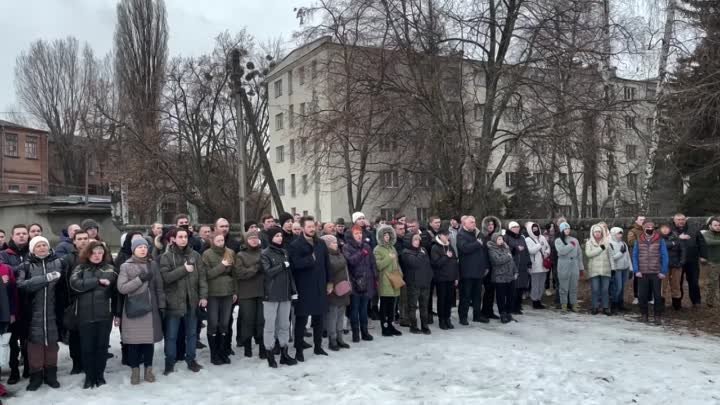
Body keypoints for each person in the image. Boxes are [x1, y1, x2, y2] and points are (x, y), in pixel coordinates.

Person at [17, 236, 68, 391]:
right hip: (33, 313)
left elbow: (64, 286)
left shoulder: (59, 263)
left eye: (44, 245)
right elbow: (21, 285)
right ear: (32, 249)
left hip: (53, 312)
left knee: (52, 345)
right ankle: (36, 376)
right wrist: (45, 278)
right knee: (35, 346)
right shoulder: (25, 266)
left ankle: (51, 374)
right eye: (38, 245)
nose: (42, 248)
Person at [159, 228, 207, 375]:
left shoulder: (195, 255)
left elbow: (202, 278)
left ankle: (191, 359)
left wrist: (203, 296)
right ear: (173, 239)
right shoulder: (166, 257)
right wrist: (184, 269)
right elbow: (166, 278)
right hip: (173, 302)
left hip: (192, 302)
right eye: (180, 237)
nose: (183, 239)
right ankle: (170, 362)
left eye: (185, 236)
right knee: (171, 336)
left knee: (192, 334)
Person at [117, 238, 165, 385]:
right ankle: (135, 371)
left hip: (151, 309)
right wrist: (140, 279)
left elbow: (159, 287)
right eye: (140, 247)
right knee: (134, 343)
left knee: (148, 342)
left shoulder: (153, 264)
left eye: (145, 247)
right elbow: (122, 288)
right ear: (133, 250)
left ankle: (148, 370)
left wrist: (161, 305)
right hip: (133, 309)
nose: (143, 249)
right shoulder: (126, 266)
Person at [69, 241, 117, 389]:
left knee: (101, 347)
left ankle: (100, 375)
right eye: (93, 253)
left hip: (104, 315)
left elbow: (113, 289)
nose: (97, 256)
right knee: (87, 347)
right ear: (87, 253)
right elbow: (75, 284)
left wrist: (117, 313)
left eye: (100, 253)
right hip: (84, 315)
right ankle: (89, 377)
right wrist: (97, 281)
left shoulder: (111, 269)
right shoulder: (79, 268)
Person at [288, 216, 330, 361]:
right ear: (303, 228)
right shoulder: (295, 245)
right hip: (304, 288)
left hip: (319, 286)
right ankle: (299, 350)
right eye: (309, 226)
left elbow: (327, 264)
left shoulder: (321, 243)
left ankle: (318, 347)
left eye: (313, 226)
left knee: (319, 318)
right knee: (301, 320)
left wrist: (329, 282)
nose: (312, 229)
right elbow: (294, 265)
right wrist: (309, 260)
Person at [259, 227, 297, 368]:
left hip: (285, 294)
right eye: (276, 236)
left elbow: (289, 274)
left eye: (281, 235)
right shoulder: (265, 253)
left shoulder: (285, 252)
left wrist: (293, 290)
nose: (280, 238)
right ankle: (269, 353)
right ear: (270, 238)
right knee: (269, 325)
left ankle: (284, 352)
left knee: (284, 325)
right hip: (271, 294)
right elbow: (268, 272)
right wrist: (281, 265)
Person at [0, 225, 30, 385]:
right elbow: (3, 270)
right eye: (18, 234)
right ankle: (14, 371)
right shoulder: (4, 254)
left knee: (27, 340)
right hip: (10, 305)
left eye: (24, 234)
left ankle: (28, 368)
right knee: (12, 342)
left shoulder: (32, 251)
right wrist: (23, 268)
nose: (22, 236)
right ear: (12, 236)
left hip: (28, 305)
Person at [201, 233, 235, 366]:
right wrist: (222, 266)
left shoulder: (230, 252)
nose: (221, 242)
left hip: (227, 292)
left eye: (222, 240)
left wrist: (235, 291)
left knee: (225, 323)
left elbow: (234, 274)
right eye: (218, 240)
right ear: (213, 241)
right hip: (213, 293)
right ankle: (214, 354)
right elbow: (207, 274)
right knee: (213, 323)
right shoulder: (207, 254)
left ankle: (222, 352)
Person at [342, 225, 377, 342]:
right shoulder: (347, 247)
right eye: (356, 233)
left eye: (360, 233)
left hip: (367, 281)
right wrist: (362, 253)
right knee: (354, 309)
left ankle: (365, 331)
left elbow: (372, 263)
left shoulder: (367, 246)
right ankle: (355, 333)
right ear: (351, 235)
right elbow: (351, 261)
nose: (359, 235)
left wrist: (375, 277)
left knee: (364, 309)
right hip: (355, 282)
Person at [234, 230, 265, 359]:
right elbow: (240, 273)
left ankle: (262, 347)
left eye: (255, 238)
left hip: (262, 291)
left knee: (261, 320)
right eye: (251, 238)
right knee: (248, 320)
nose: (253, 240)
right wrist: (256, 268)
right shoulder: (241, 255)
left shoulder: (264, 253)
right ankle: (247, 347)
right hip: (246, 293)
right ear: (246, 240)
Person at [632, 221, 669, 324]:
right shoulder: (638, 240)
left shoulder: (660, 240)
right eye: (647, 227)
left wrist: (663, 271)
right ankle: (644, 315)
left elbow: (665, 256)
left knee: (657, 296)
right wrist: (636, 270)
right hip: (642, 273)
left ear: (654, 228)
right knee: (642, 295)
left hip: (656, 272)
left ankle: (657, 316)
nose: (650, 228)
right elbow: (635, 256)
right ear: (644, 228)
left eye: (651, 227)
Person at [456, 216, 490, 325]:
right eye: (471, 222)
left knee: (477, 295)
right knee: (465, 296)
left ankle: (477, 315)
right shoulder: (461, 234)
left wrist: (486, 266)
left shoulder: (478, 234)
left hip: (479, 271)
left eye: (474, 222)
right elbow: (464, 248)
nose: (474, 224)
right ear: (464, 224)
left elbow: (484, 252)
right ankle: (463, 317)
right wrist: (477, 244)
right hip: (467, 271)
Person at [671, 213, 708, 309]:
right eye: (678, 219)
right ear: (674, 220)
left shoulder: (694, 230)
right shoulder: (670, 231)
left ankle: (696, 301)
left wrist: (703, 256)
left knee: (694, 282)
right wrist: (678, 238)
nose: (681, 221)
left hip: (692, 260)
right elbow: (665, 242)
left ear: (686, 220)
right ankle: (677, 303)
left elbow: (702, 243)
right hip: (677, 260)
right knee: (677, 282)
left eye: (682, 219)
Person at [321, 235, 351, 350]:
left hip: (343, 288)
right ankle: (332, 340)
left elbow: (345, 268)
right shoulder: (326, 256)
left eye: (336, 242)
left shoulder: (339, 253)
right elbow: (333, 267)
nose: (336, 244)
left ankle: (340, 338)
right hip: (332, 289)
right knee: (332, 316)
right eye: (333, 242)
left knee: (340, 315)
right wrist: (342, 262)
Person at [374, 224, 403, 336]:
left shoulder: (392, 248)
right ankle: (384, 327)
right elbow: (379, 266)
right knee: (385, 306)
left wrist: (400, 273)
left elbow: (396, 263)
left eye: (388, 235)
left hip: (395, 279)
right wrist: (388, 258)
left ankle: (391, 326)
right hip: (385, 280)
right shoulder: (377, 249)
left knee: (392, 306)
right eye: (385, 235)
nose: (387, 237)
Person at [401, 234, 433, 335]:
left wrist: (430, 276)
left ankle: (425, 326)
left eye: (418, 239)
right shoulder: (406, 252)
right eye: (415, 240)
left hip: (425, 282)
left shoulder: (422, 250)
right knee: (413, 306)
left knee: (424, 306)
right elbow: (415, 263)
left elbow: (428, 263)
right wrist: (421, 254)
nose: (417, 241)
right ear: (409, 241)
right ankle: (413, 326)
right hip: (413, 283)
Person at [430, 229, 459, 330]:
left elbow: (455, 262)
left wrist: (456, 277)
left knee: (449, 300)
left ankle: (448, 318)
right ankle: (442, 320)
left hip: (451, 278)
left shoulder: (450, 246)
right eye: (445, 235)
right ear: (440, 235)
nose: (447, 237)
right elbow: (436, 263)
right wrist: (446, 257)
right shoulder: (435, 247)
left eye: (448, 235)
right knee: (442, 299)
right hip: (441, 278)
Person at [487, 232, 518, 324]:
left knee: (511, 296)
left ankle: (509, 313)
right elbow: (497, 260)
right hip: (499, 277)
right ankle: (503, 314)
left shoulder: (506, 247)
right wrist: (507, 257)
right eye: (499, 239)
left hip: (510, 276)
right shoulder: (491, 249)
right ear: (494, 240)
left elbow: (512, 260)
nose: (501, 241)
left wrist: (515, 271)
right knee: (501, 297)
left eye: (502, 239)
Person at [555, 223, 584, 312]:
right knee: (563, 286)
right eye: (565, 229)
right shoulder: (558, 240)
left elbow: (579, 254)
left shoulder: (575, 240)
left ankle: (573, 304)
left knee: (573, 286)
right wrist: (571, 245)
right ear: (562, 230)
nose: (567, 230)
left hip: (574, 264)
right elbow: (562, 251)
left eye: (568, 228)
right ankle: (564, 304)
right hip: (563, 264)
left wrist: (581, 267)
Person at [585, 224, 612, 316]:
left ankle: (605, 307)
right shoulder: (589, 243)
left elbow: (610, 256)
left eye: (599, 232)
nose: (597, 233)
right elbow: (589, 254)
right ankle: (595, 307)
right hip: (594, 270)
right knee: (595, 289)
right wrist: (600, 248)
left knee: (605, 289)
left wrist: (613, 268)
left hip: (606, 269)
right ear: (593, 232)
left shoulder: (607, 242)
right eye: (596, 232)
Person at [504, 221, 530, 315]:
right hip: (512, 266)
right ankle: (511, 307)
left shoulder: (521, 237)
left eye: (518, 227)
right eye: (514, 227)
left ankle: (518, 306)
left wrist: (529, 262)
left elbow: (526, 250)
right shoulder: (506, 237)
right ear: (510, 228)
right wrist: (515, 249)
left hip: (522, 266)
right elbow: (504, 250)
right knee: (513, 288)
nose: (517, 228)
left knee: (521, 288)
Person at [524, 222, 551, 309]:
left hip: (544, 265)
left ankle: (539, 299)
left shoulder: (542, 237)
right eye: (534, 229)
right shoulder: (528, 240)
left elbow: (548, 247)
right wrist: (539, 245)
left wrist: (547, 252)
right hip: (535, 265)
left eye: (537, 228)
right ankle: (534, 301)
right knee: (535, 284)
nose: (536, 230)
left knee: (542, 284)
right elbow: (531, 251)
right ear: (530, 230)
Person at [659, 224, 685, 310]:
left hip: (676, 265)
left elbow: (683, 251)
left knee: (676, 285)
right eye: (663, 228)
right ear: (660, 229)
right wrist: (672, 243)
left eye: (667, 228)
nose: (665, 230)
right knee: (662, 285)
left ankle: (677, 306)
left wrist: (681, 262)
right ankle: (660, 305)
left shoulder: (677, 238)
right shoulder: (657, 238)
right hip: (663, 266)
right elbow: (661, 247)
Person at [480, 216, 501, 319]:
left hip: (496, 267)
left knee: (492, 290)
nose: (490, 226)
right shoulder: (483, 237)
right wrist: (485, 267)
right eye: (488, 225)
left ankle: (490, 311)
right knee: (487, 290)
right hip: (487, 267)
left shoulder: (497, 237)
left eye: (492, 224)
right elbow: (482, 254)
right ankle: (484, 311)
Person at [608, 227, 633, 313]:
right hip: (617, 269)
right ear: (613, 234)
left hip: (625, 269)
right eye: (619, 233)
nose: (620, 235)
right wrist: (620, 253)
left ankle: (620, 304)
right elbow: (611, 258)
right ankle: (614, 305)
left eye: (621, 233)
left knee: (622, 288)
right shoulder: (609, 244)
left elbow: (628, 257)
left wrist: (631, 268)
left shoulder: (623, 243)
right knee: (617, 288)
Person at [701, 217, 720, 308]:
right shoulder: (707, 234)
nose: (717, 227)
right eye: (715, 225)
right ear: (710, 226)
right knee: (713, 282)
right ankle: (710, 302)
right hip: (713, 263)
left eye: (719, 225)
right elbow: (709, 242)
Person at [627, 215, 645, 305]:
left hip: (648, 258)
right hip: (637, 257)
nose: (642, 221)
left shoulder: (648, 229)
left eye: (644, 220)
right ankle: (636, 296)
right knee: (637, 278)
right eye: (641, 220)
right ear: (636, 221)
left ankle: (648, 297)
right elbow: (631, 242)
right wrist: (643, 241)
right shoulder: (632, 231)